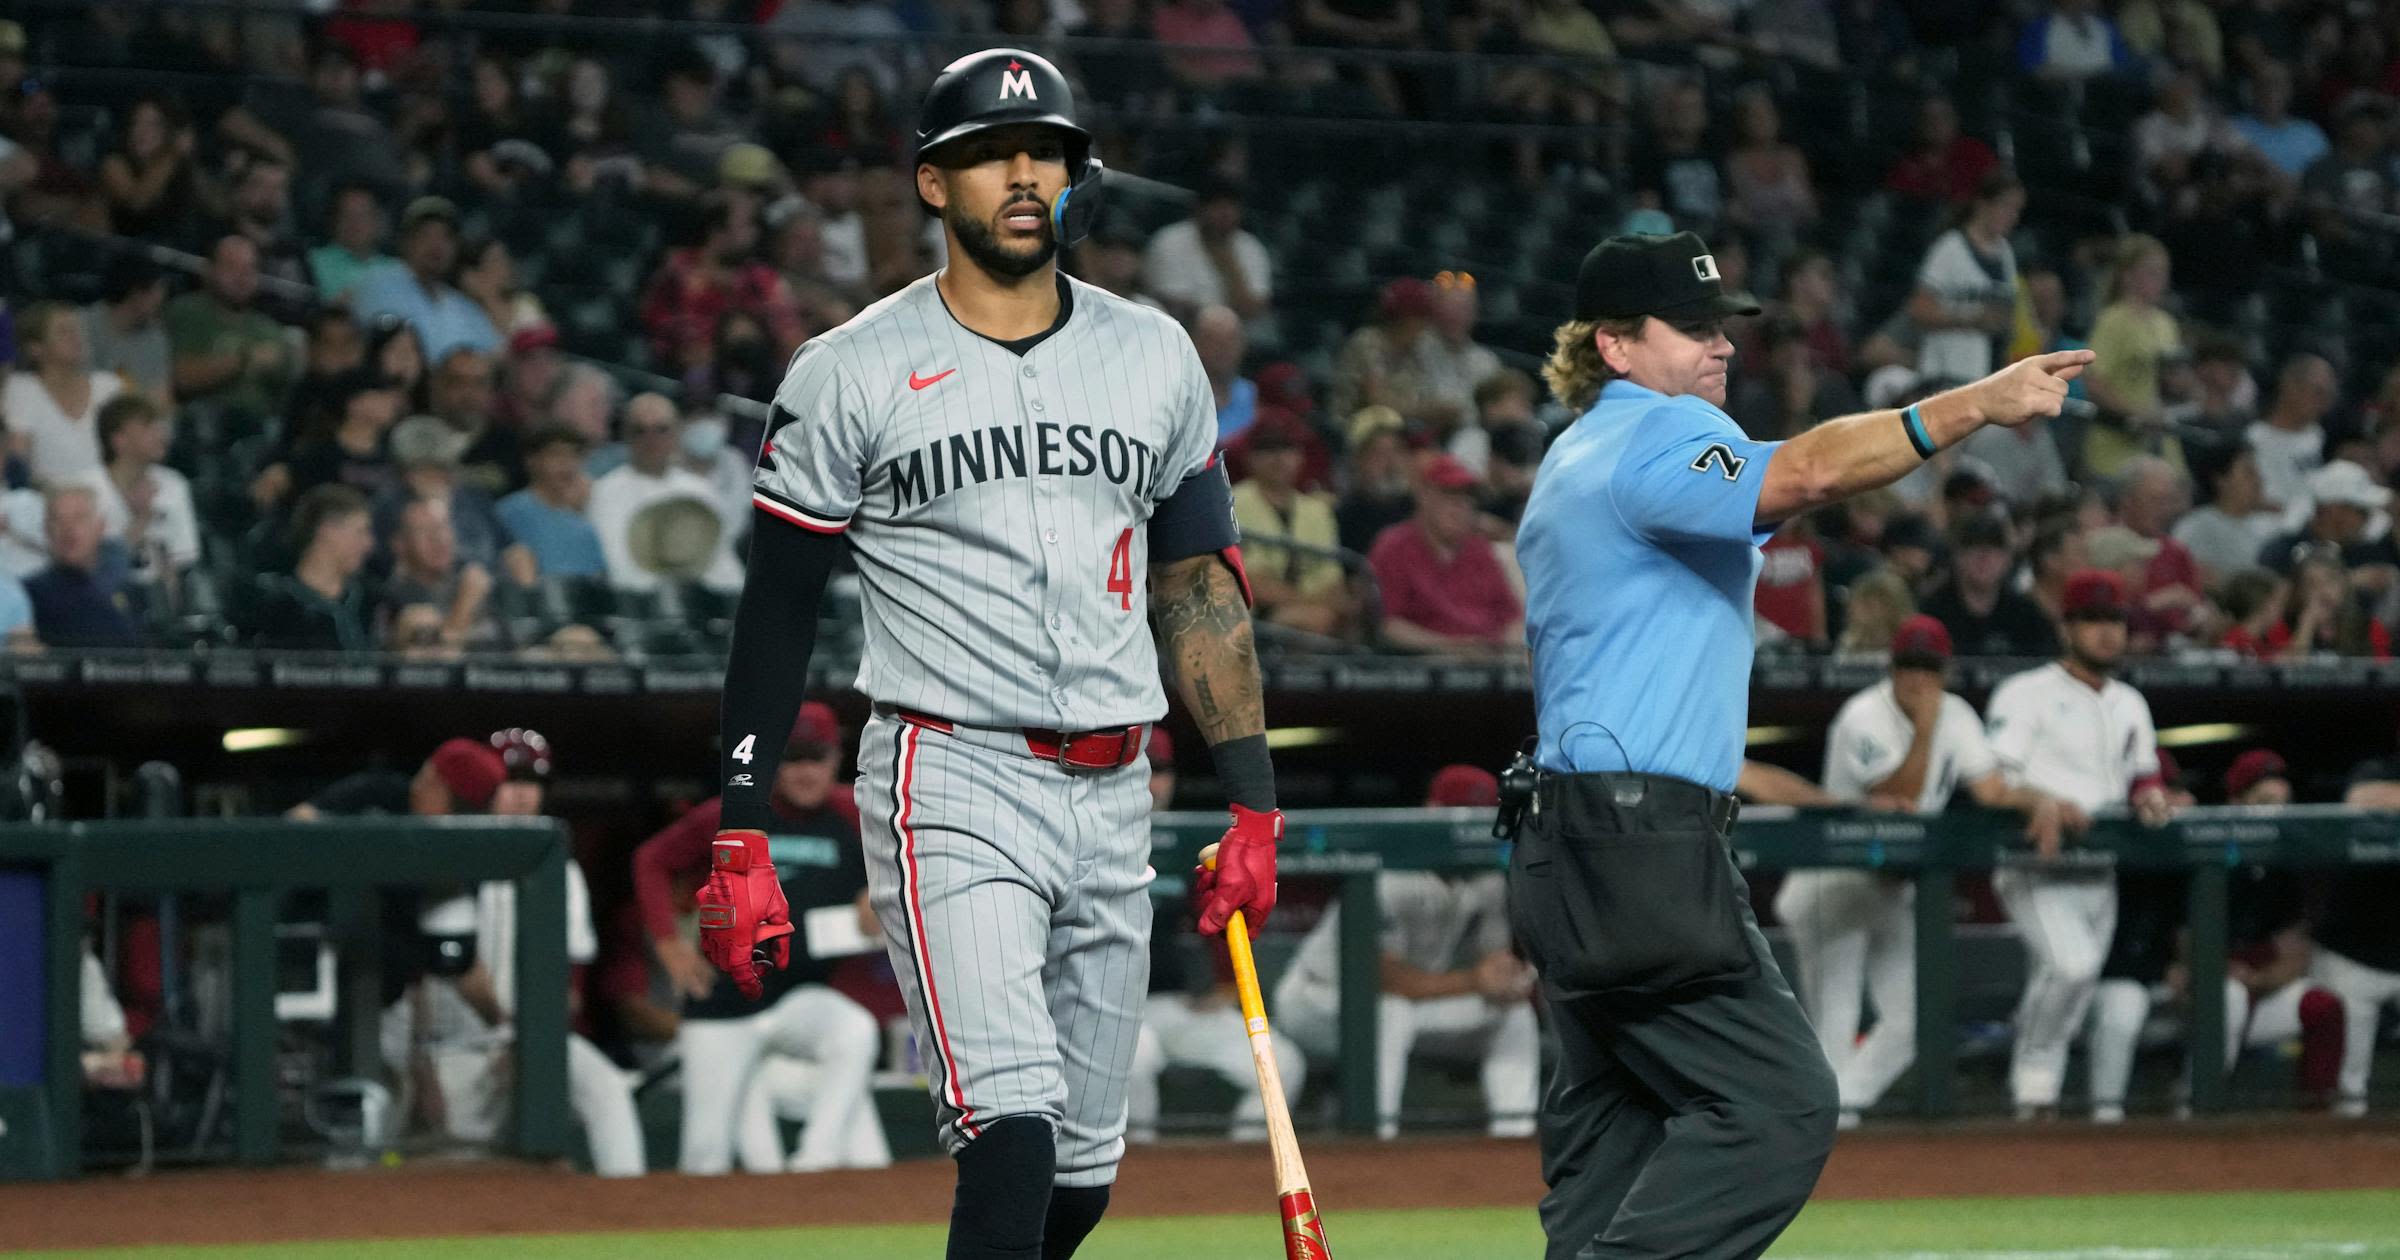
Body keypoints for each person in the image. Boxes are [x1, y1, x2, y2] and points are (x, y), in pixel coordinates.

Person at [695, 50, 1280, 1260]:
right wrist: (741, 820)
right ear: (931, 183)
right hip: (950, 777)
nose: (1024, 175)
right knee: (1009, 1131)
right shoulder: (846, 369)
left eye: (1047, 152)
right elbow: (780, 605)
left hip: (1120, 789)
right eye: (990, 155)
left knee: (1079, 1180)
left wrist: (1254, 801)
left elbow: (1198, 588)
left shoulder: (1155, 355)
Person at [1509, 228, 2090, 1258]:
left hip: (1569, 847)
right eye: (1689, 328)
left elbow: (1779, 492)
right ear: (1613, 346)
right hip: (1640, 843)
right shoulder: (1650, 439)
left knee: (1616, 1142)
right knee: (1779, 1107)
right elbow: (1813, 470)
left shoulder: (1582, 453)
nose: (1719, 345)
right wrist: (1973, 404)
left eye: (1722, 325)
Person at [1773, 616, 2082, 1127]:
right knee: (1835, 1025)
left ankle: (1832, 1120)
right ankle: (1824, 1133)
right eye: (1909, 666)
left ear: (1946, 671)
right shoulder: (1862, 715)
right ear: (1891, 667)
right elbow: (1902, 796)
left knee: (1912, 1021)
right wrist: (1925, 727)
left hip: (1892, 889)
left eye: (1929, 668)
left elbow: (1992, 791)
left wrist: (2041, 800)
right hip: (1833, 882)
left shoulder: (1955, 714)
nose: (1918, 679)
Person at [632, 703, 890, 1174]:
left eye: (817, 756)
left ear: (836, 758)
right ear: (770, 760)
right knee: (704, 1158)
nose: (806, 771)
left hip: (797, 997)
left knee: (854, 1031)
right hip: (722, 1005)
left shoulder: (855, 814)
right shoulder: (735, 811)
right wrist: (668, 942)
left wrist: (876, 890)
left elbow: (909, 859)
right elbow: (651, 859)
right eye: (792, 757)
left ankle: (816, 1159)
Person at [376, 731, 647, 1176]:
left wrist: (534, 1042)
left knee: (606, 1090)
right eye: (511, 781)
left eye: (533, 782)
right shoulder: (452, 856)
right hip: (451, 1046)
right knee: (458, 1165)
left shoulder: (563, 869)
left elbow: (570, 982)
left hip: (529, 1036)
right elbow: (420, 975)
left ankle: (636, 1215)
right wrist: (421, 1062)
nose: (522, 794)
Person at [1983, 570, 2177, 1120]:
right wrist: (2040, 798)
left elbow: (2142, 774)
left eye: (2114, 620)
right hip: (2037, 863)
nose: (2107, 633)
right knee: (2070, 968)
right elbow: (1994, 776)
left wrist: (2154, 797)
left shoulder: (2131, 702)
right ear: (2067, 627)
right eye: (2092, 621)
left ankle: (2039, 1106)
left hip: (2101, 870)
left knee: (2075, 977)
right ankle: (2031, 1084)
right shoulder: (2026, 693)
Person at [1276, 764, 1538, 1140]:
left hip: (1411, 1005)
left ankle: (1512, 1138)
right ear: (1431, 810)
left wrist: (1508, 979)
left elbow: (1491, 963)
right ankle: (1373, 1142)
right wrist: (1475, 980)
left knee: (1513, 1016)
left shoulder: (1486, 878)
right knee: (1389, 1013)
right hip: (1319, 1001)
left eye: (1480, 816)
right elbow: (1382, 977)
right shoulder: (1391, 873)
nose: (1469, 826)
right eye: (1458, 813)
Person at [2084, 749, 2344, 1122]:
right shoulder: (2193, 853)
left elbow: (2295, 943)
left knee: (2323, 1006)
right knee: (2221, 997)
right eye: (2265, 802)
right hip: (2175, 989)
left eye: (2283, 803)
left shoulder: (2282, 864)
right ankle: (2190, 1109)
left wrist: (2264, 973)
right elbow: (2184, 939)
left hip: (2245, 991)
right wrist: (2203, 968)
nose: (2276, 814)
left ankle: (2318, 1120)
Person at [1127, 727, 1304, 1143]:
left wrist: (1226, 986)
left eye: (1162, 770)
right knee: (1135, 1062)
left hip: (1176, 1006)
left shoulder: (1199, 845)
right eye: (1142, 768)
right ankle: (1135, 1188)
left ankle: (1233, 1185)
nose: (1152, 782)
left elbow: (1224, 927)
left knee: (1283, 1062)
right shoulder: (1084, 839)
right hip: (1102, 1007)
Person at [1369, 455, 1524, 656]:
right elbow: (1387, 626)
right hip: (1423, 667)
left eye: (1467, 499)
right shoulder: (1393, 546)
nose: (1461, 508)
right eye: (1450, 496)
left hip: (1489, 664)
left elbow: (1513, 618)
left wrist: (1504, 652)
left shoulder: (1479, 550)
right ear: (1424, 496)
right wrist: (1452, 648)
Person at [1232, 414, 1356, 640]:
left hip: (1312, 613)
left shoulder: (1317, 510)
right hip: (1249, 617)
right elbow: (1253, 583)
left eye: (1288, 448)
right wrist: (1312, 601)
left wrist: (1315, 603)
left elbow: (1333, 582)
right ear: (1250, 457)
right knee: (1317, 619)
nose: (1279, 458)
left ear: (1300, 456)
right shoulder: (1231, 502)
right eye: (1268, 449)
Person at [1909, 172, 2024, 388]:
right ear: (1982, 204)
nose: (2012, 216)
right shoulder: (1950, 247)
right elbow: (1918, 308)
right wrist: (1971, 318)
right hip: (1944, 370)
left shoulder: (2005, 253)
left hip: (1985, 374)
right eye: (2006, 206)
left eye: (2017, 210)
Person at [353, 198, 501, 364]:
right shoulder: (380, 282)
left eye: (446, 237)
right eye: (425, 234)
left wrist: (489, 298)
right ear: (406, 241)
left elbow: (497, 356)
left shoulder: (463, 306)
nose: (436, 245)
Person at [164, 235, 294, 421]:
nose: (243, 277)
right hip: (203, 424)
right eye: (232, 267)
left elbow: (287, 389)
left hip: (260, 428)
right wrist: (243, 360)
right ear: (209, 270)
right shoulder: (187, 312)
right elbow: (181, 378)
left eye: (250, 268)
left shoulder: (268, 327)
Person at [242, 484, 376, 651]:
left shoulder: (372, 601)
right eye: (360, 531)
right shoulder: (277, 608)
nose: (369, 544)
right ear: (327, 530)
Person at [5, 301, 124, 486]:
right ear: (35, 348)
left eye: (77, 329)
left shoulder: (108, 386)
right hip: (50, 500)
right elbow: (19, 460)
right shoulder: (23, 389)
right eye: (63, 331)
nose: (77, 337)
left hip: (111, 496)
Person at [1919, 514, 2059, 657]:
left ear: (2008, 559)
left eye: (1995, 549)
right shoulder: (1931, 613)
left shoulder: (2027, 615)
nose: (1984, 558)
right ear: (1957, 555)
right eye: (1973, 547)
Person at [26, 485, 145, 648]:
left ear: (100, 526)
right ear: (46, 530)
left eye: (79, 518)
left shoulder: (128, 590)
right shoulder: (29, 594)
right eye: (58, 520)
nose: (68, 529)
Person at [496, 425, 607, 580]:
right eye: (556, 454)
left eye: (573, 455)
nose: (566, 464)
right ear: (532, 461)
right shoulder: (507, 513)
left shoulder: (585, 528)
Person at [80, 255, 173, 408]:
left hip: (133, 423)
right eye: (155, 291)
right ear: (136, 293)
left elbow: (160, 399)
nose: (161, 300)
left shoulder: (156, 339)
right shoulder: (81, 325)